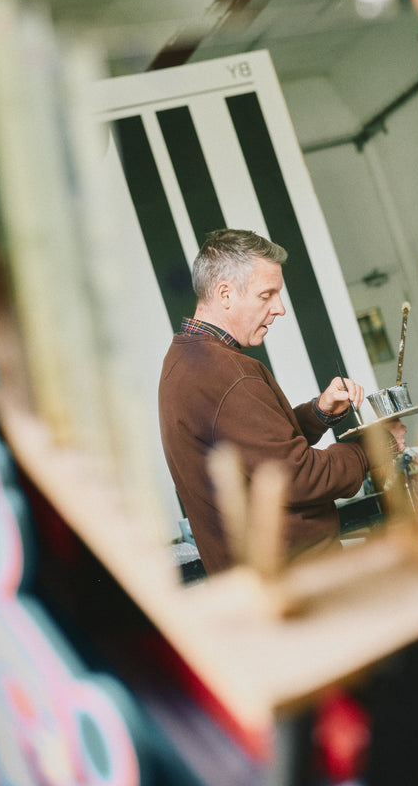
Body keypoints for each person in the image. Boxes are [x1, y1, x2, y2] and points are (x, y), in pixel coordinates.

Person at [158, 228, 404, 575]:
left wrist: (319, 412)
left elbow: (256, 449)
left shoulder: (184, 358)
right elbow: (296, 475)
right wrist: (376, 447)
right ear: (225, 294)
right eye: (266, 295)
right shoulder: (226, 373)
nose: (280, 308)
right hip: (294, 578)